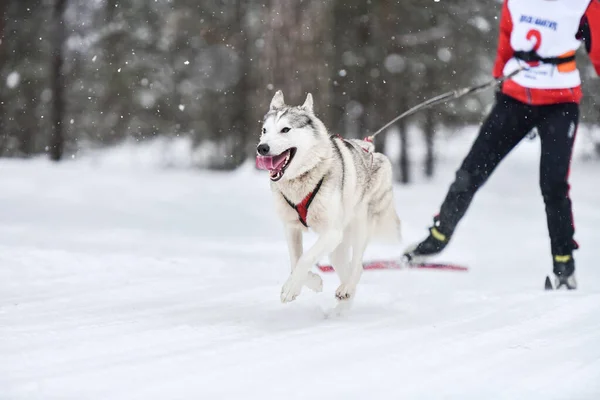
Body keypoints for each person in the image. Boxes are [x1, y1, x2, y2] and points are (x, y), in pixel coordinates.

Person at [403, 0, 600, 289]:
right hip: (515, 99)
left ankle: (563, 264)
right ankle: (437, 238)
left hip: (560, 103)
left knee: (553, 185)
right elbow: (506, 42)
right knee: (471, 171)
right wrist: (499, 80)